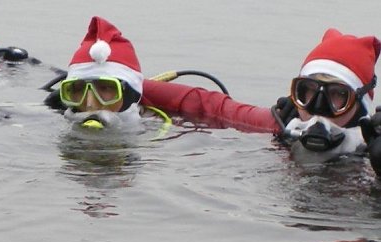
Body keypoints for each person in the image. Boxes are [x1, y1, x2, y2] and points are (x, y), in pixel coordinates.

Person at [141, 27, 381, 169]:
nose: (318, 108)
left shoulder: (372, 154)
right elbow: (207, 105)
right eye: (307, 91)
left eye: (337, 95)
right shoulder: (277, 125)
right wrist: (130, 85)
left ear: (359, 105)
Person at [44, 16, 170, 133]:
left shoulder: (157, 129)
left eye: (105, 88)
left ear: (129, 94)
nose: (89, 104)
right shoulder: (52, 122)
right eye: (78, 89)